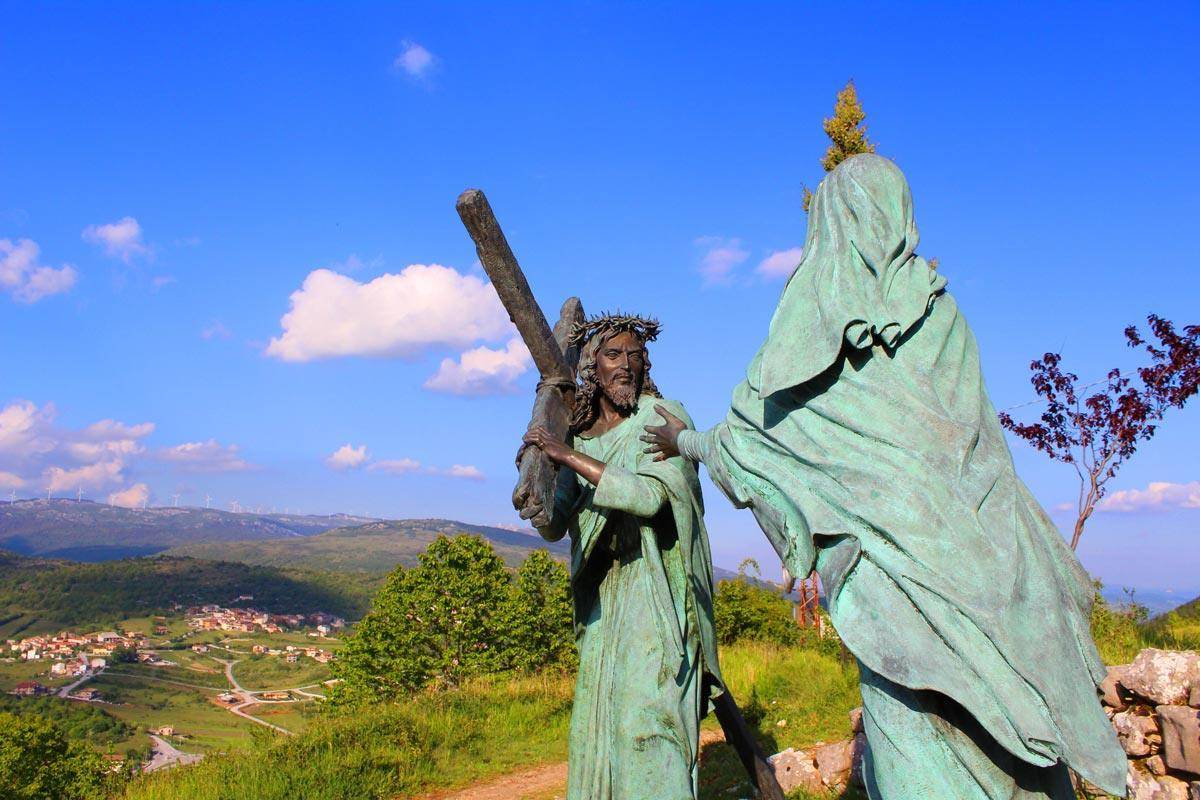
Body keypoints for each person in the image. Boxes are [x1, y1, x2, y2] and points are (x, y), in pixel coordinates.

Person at [642, 154, 1127, 799]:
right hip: (1003, 565)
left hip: (898, 590)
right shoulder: (942, 313)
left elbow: (750, 438)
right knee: (1015, 741)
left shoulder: (813, 332)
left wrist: (685, 441)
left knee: (917, 748)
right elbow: (980, 445)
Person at [521, 313, 725, 800]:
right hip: (604, 599)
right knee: (597, 732)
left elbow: (651, 498)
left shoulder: (662, 417)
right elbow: (556, 524)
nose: (626, 365)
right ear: (592, 366)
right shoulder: (581, 437)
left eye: (635, 355)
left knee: (648, 726)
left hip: (655, 591)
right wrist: (537, 489)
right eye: (613, 355)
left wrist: (564, 456)